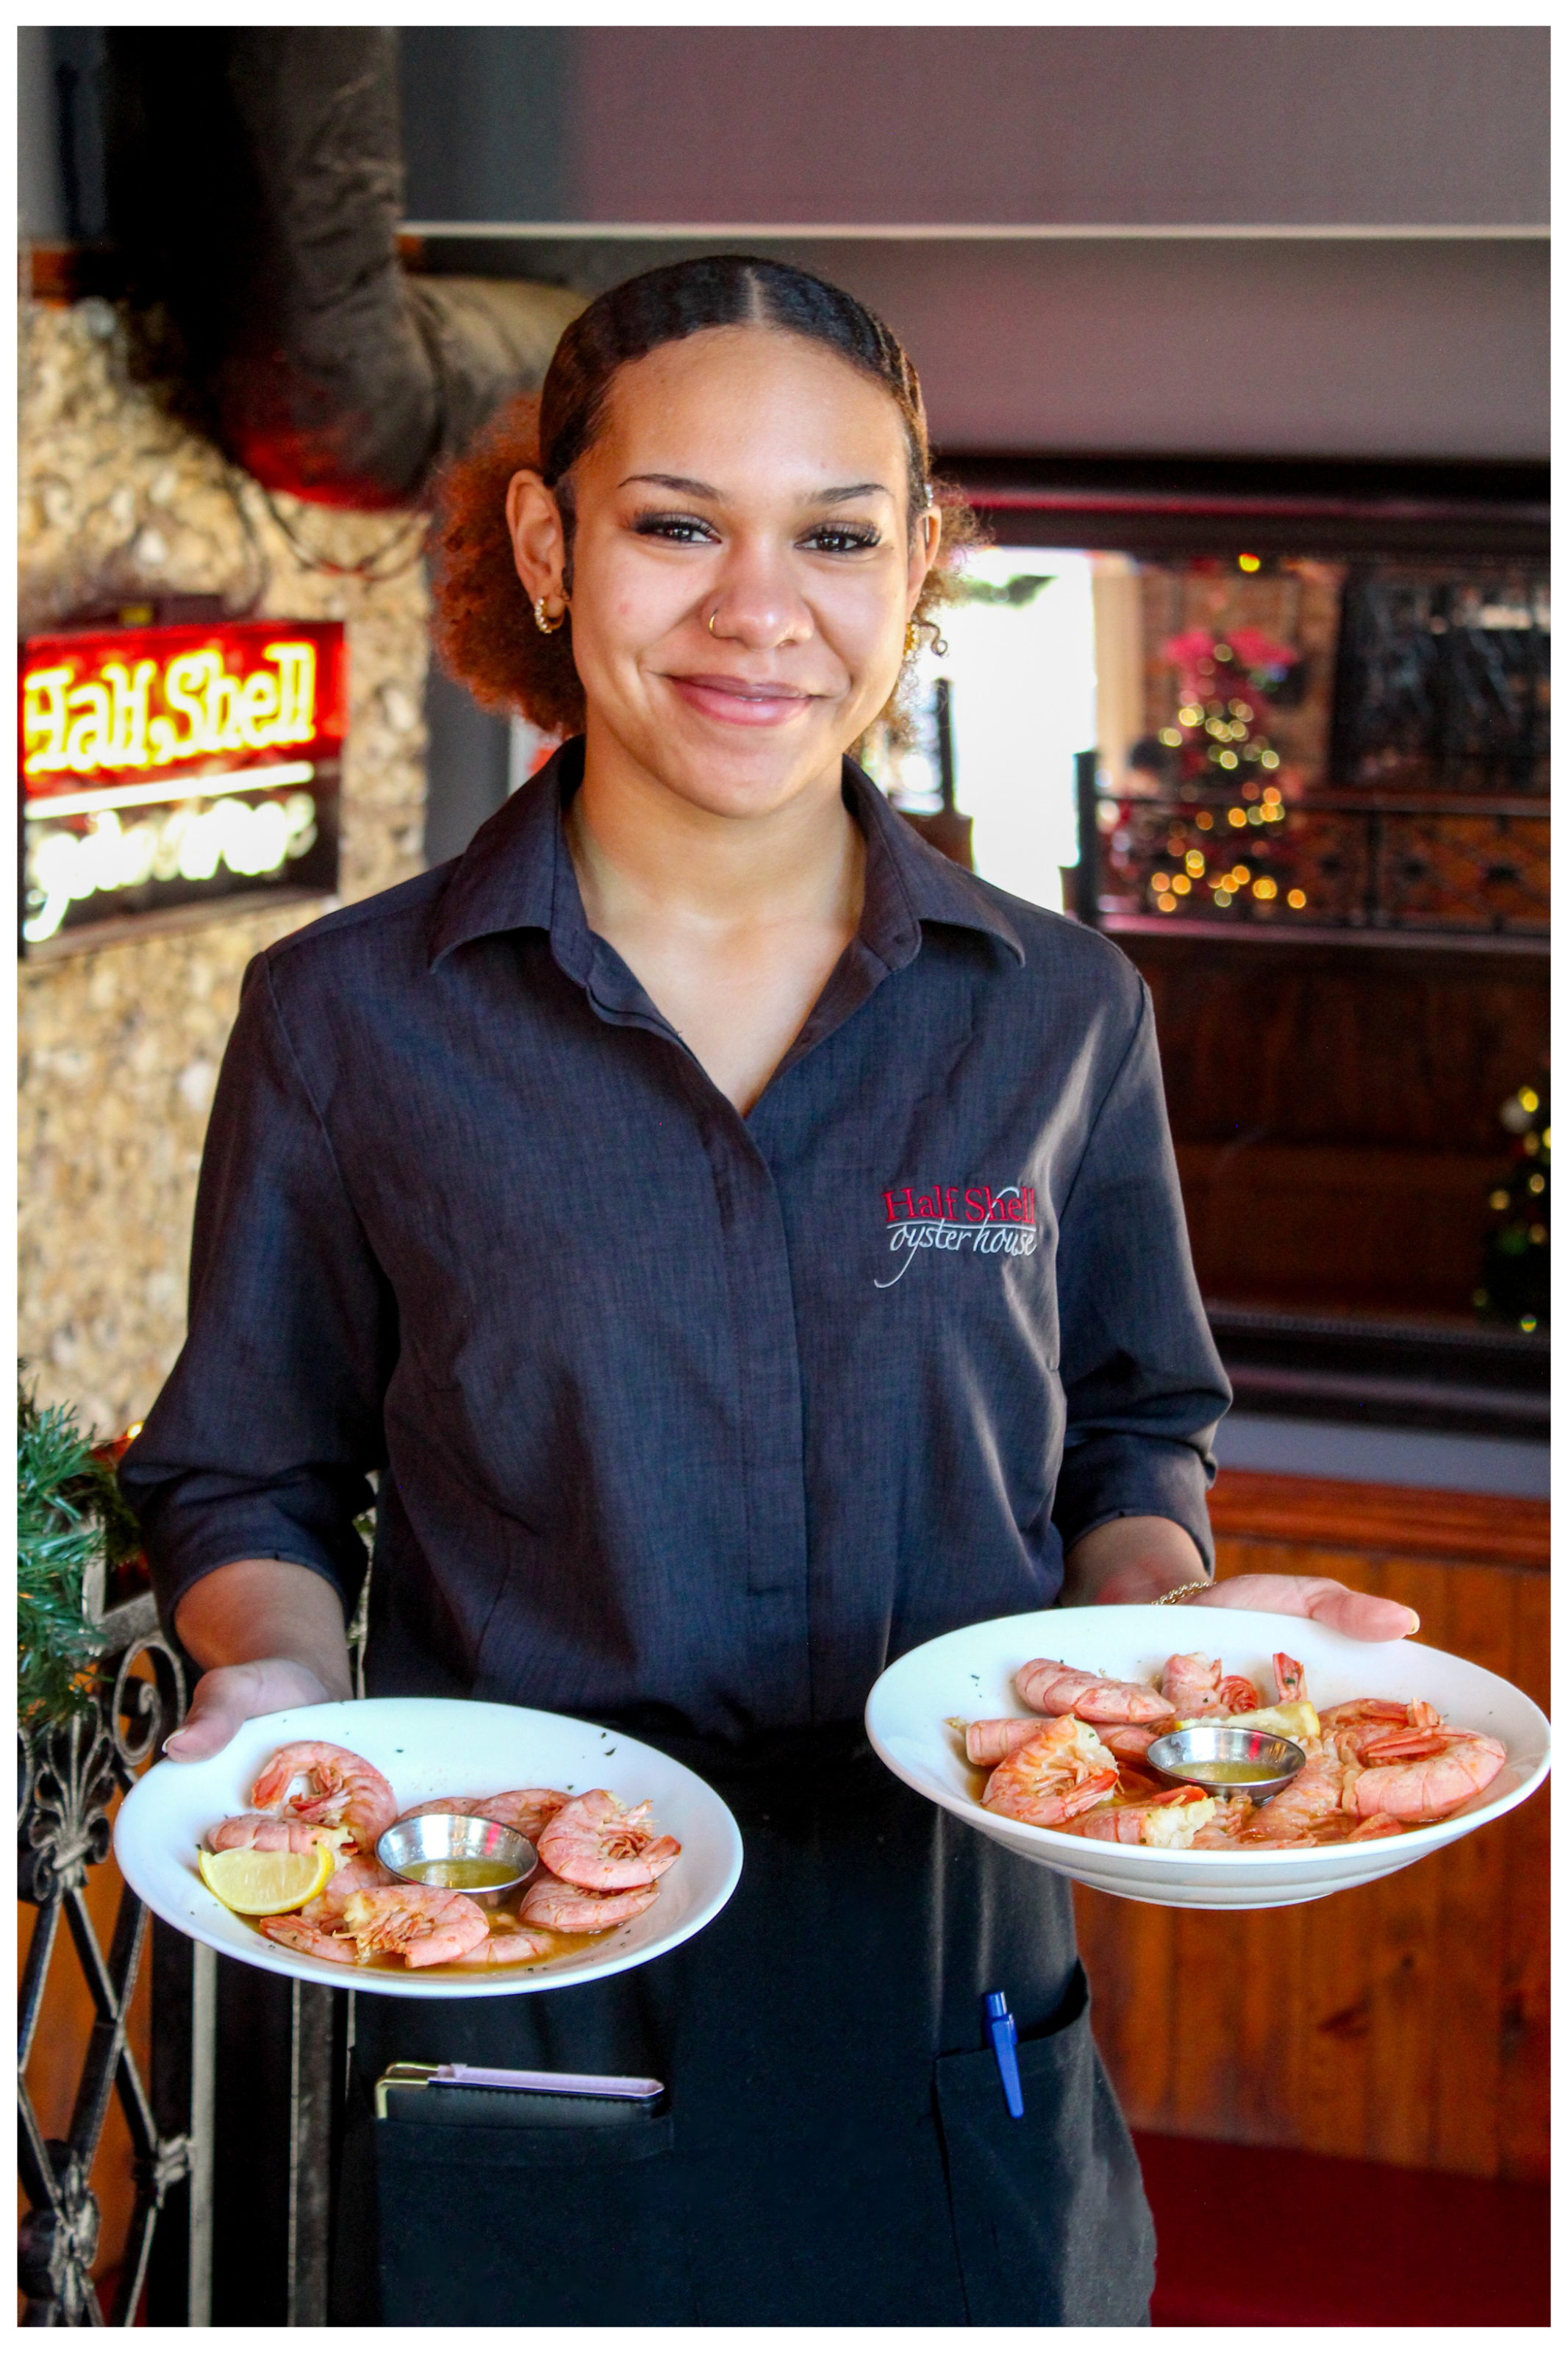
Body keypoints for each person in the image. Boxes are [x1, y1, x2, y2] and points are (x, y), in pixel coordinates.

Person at [122, 256, 1417, 2328]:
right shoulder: (348, 1018)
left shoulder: (1060, 1012)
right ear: (549, 545)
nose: (758, 607)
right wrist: (268, 1679)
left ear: (912, 565)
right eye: (673, 525)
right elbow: (249, 1477)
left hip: (946, 1997)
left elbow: (1126, 1426)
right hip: (518, 1984)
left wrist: (1163, 1629)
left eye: (831, 534)